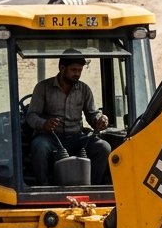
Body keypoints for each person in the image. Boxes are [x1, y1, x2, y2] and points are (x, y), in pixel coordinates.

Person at [26, 49, 111, 185]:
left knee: (103, 147)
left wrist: (99, 120)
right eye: (73, 70)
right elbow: (31, 116)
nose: (77, 74)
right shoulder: (43, 88)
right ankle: (43, 187)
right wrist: (44, 124)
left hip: (77, 137)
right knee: (39, 147)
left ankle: (93, 187)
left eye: (80, 70)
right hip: (50, 138)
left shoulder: (84, 89)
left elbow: (92, 114)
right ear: (62, 68)